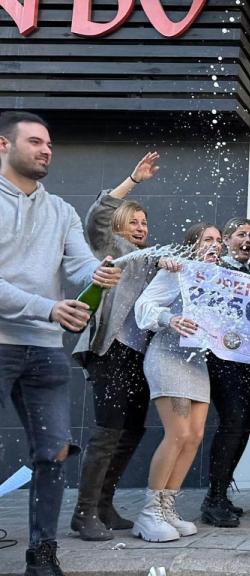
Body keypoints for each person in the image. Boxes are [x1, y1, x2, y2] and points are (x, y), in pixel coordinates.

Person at [0, 110, 122, 575]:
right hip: (5, 339)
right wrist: (48, 308)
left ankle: (42, 554)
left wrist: (97, 273)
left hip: (45, 350)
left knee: (53, 452)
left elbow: (78, 268)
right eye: (34, 141)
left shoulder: (61, 211)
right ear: (3, 146)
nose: (45, 149)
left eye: (49, 143)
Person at [72, 152, 162, 541]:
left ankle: (104, 504)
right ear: (122, 225)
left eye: (144, 222)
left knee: (131, 432)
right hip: (111, 350)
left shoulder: (152, 258)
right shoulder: (108, 244)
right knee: (107, 432)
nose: (141, 227)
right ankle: (83, 512)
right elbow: (99, 213)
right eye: (134, 222)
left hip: (141, 356)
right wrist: (133, 180)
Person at [133, 223, 221, 543]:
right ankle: (149, 513)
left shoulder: (218, 280)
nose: (215, 245)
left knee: (194, 436)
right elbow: (144, 307)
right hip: (167, 358)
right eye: (207, 239)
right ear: (192, 245)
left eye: (218, 241)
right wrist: (170, 319)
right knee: (178, 433)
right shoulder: (177, 270)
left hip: (196, 363)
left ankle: (167, 507)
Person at [201, 217, 250, 528]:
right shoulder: (215, 268)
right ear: (226, 240)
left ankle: (221, 493)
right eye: (241, 234)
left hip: (249, 363)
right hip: (222, 360)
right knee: (233, 422)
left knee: (243, 425)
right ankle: (213, 498)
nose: (247, 240)